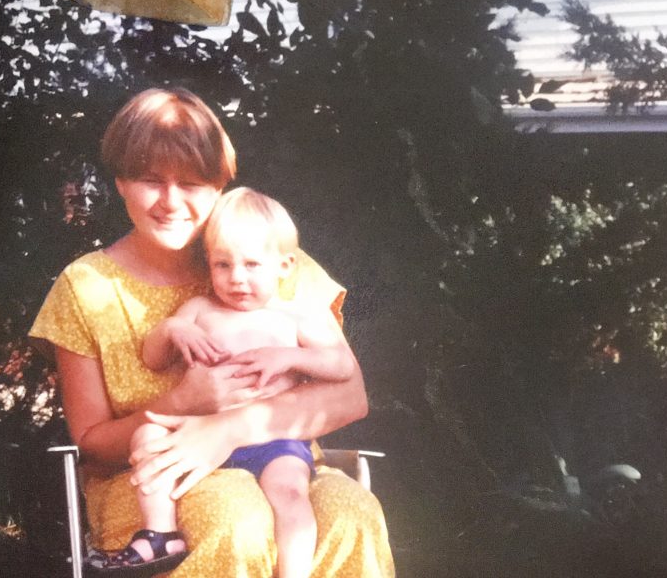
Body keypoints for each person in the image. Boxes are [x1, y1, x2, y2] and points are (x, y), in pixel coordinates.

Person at [30, 87, 394, 577]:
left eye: (192, 183)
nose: (171, 202)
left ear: (220, 185)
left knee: (353, 513)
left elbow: (349, 397)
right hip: (151, 483)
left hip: (281, 462)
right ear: (120, 183)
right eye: (150, 180)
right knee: (234, 517)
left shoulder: (268, 258)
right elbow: (93, 445)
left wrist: (229, 429)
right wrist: (183, 402)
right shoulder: (86, 286)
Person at [105, 186, 360, 578]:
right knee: (147, 437)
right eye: (222, 265)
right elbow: (152, 358)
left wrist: (290, 356)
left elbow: (341, 366)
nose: (236, 278)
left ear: (285, 266)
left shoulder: (293, 316)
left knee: (291, 495)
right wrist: (172, 329)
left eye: (252, 265)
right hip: (200, 438)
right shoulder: (199, 310)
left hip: (273, 440)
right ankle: (160, 533)